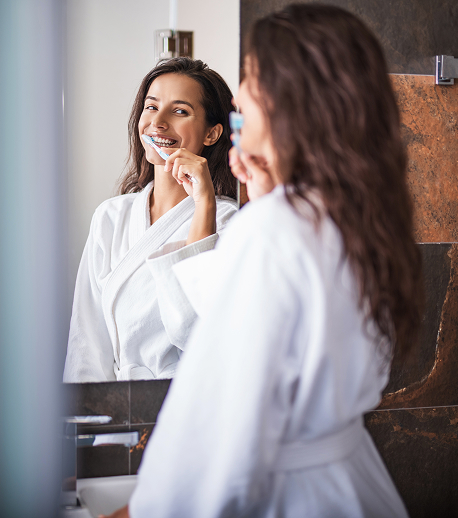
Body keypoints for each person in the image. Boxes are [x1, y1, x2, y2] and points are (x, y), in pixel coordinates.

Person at [106, 4, 423, 517]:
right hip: (351, 480)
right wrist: (267, 175)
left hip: (288, 493)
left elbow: (222, 422)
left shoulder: (271, 230)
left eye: (251, 79)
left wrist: (148, 509)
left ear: (288, 101)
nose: (238, 99)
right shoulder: (355, 217)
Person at [63, 58, 237, 382]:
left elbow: (201, 336)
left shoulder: (230, 223)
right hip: (115, 419)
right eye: (151, 107)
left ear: (212, 133)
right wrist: (97, 424)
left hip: (189, 410)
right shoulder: (110, 218)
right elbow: (85, 341)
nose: (157, 123)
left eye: (180, 111)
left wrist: (204, 204)